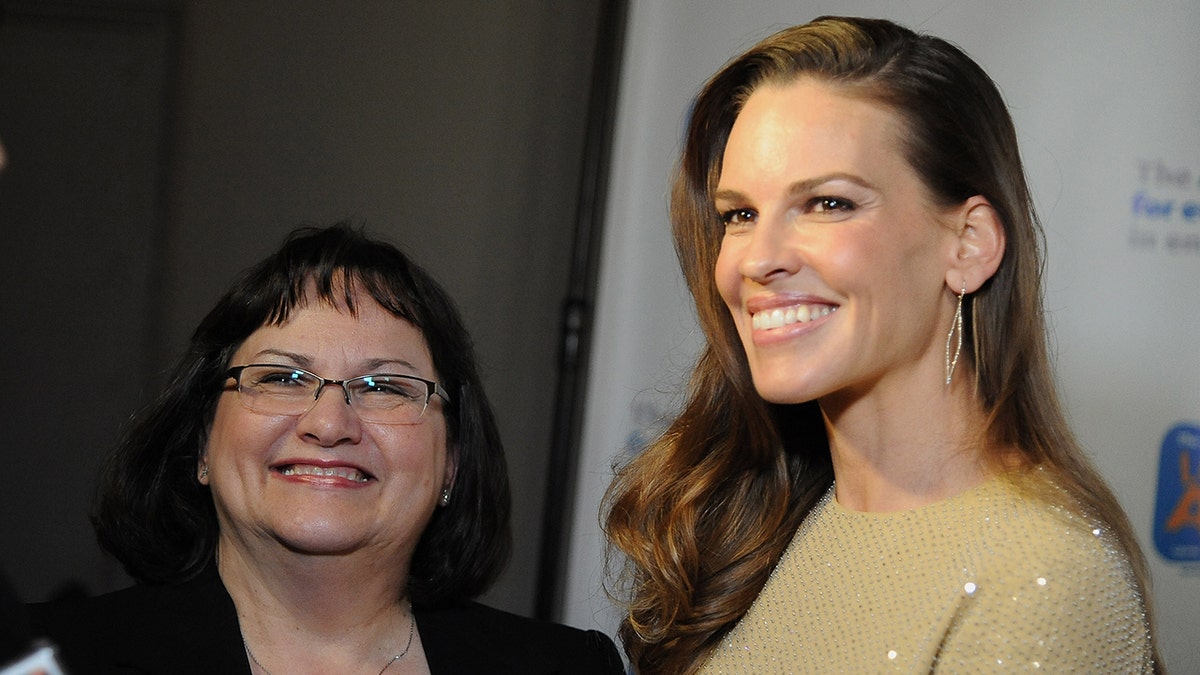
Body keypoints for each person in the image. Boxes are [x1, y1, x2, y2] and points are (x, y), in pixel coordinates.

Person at [604, 16, 1160, 674]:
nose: (760, 259)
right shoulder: (758, 526)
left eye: (828, 204)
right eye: (740, 214)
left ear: (969, 244)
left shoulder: (1042, 579)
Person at [28, 224, 624, 674]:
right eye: (283, 378)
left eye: (384, 386)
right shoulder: (54, 660)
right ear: (203, 442)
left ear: (453, 462)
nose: (329, 422)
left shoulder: (569, 669)